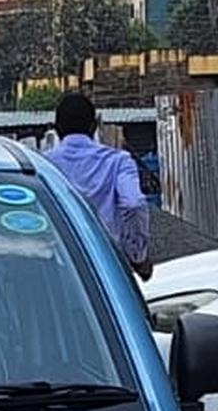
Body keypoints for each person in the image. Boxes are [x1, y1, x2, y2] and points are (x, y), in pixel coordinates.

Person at [46, 91, 153, 282]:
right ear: (94, 126)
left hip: (60, 268)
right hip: (107, 266)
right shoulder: (119, 161)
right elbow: (133, 203)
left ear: (57, 129)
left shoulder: (44, 165)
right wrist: (137, 256)